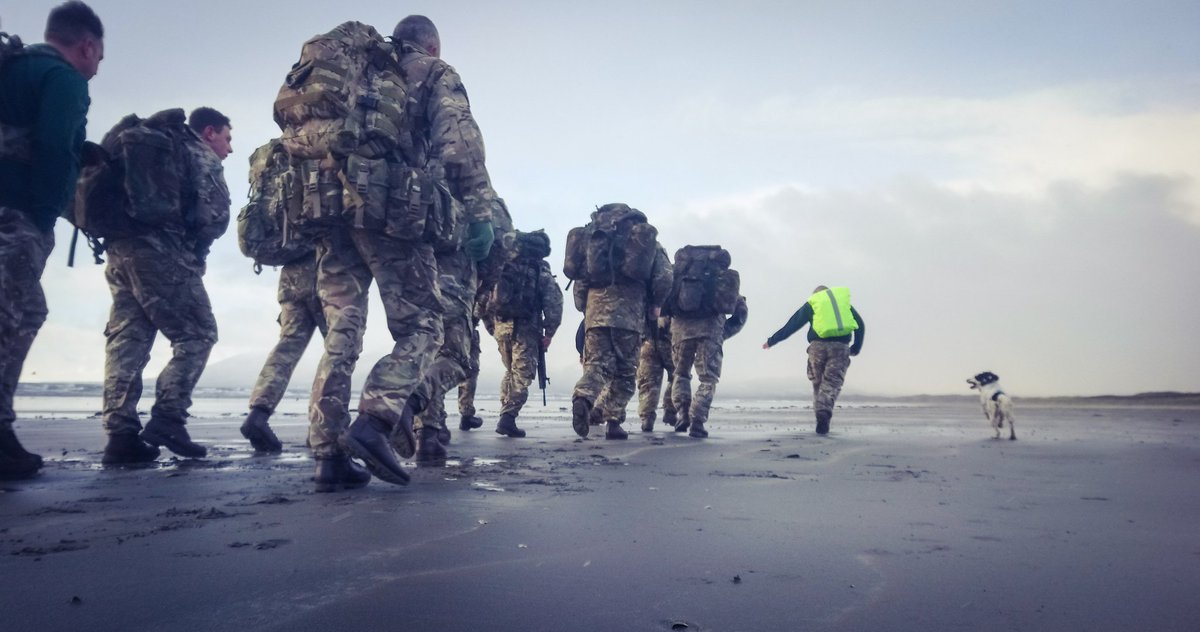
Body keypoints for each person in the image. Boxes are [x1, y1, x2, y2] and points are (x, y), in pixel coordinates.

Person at [314, 14, 498, 489]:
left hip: (324, 204)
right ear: (431, 46)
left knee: (342, 331)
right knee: (424, 325)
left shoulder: (358, 67)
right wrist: (480, 209)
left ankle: (327, 455)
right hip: (387, 207)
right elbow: (459, 144)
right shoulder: (434, 73)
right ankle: (375, 423)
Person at [0, 1, 103, 479]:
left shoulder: (16, 68)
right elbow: (52, 145)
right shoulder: (63, 79)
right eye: (98, 58)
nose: (96, 67)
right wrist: (44, 216)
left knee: (30, 310)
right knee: (8, 316)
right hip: (16, 215)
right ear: (86, 46)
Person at [99, 106, 232, 464]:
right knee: (198, 333)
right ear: (209, 133)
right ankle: (168, 419)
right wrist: (195, 250)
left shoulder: (159, 148)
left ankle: (120, 435)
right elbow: (212, 217)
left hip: (120, 249)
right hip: (163, 252)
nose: (229, 148)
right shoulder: (198, 154)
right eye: (227, 138)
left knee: (128, 338)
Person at [571, 206, 672, 440]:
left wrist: (586, 307)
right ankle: (614, 422)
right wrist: (656, 304)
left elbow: (580, 283)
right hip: (630, 315)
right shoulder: (646, 245)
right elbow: (665, 276)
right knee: (626, 372)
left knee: (596, 365)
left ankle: (583, 397)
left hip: (595, 316)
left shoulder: (594, 241)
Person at [241, 254, 323, 453]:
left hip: (291, 280)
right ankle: (322, 428)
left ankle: (258, 415)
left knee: (287, 346)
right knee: (338, 349)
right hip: (328, 276)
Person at [488, 230, 563, 439]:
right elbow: (554, 301)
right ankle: (508, 417)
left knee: (511, 371)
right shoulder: (539, 269)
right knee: (521, 375)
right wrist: (551, 331)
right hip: (527, 328)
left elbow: (486, 294)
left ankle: (506, 413)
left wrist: (490, 324)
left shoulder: (504, 266)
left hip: (501, 327)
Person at [763, 285, 864, 435]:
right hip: (840, 347)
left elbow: (792, 325)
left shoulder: (812, 304)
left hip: (817, 348)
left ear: (815, 295)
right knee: (831, 382)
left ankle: (821, 415)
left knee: (818, 383)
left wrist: (772, 341)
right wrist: (856, 346)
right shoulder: (842, 305)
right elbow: (860, 324)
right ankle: (824, 413)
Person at [670, 295, 748, 438]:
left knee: (680, 374)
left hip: (681, 332)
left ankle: (682, 413)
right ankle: (697, 421)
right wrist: (723, 333)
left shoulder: (681, 275)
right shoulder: (720, 276)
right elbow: (741, 311)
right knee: (708, 379)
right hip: (710, 331)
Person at [635, 315, 675, 432]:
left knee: (648, 382)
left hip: (648, 341)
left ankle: (647, 419)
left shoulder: (646, 297)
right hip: (670, 341)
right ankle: (670, 410)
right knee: (678, 377)